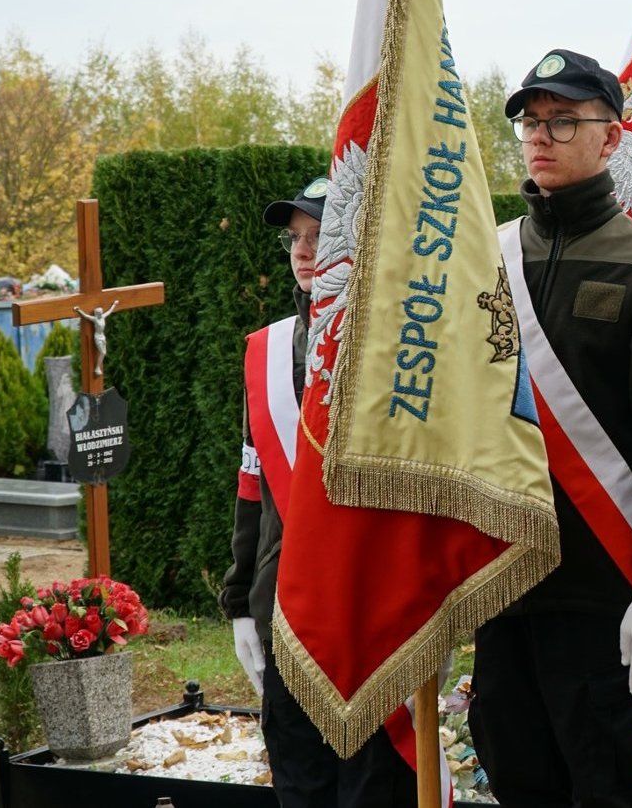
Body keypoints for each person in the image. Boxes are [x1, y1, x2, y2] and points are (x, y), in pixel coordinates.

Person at [475, 48, 632, 808]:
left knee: (621, 791)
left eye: (563, 122)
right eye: (531, 123)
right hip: (506, 587)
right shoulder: (487, 258)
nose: (541, 137)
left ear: (611, 138)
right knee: (522, 781)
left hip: (607, 596)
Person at [222, 178, 416, 807]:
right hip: (286, 602)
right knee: (301, 781)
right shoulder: (269, 352)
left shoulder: (396, 349)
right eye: (295, 238)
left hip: (371, 605)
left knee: (372, 785)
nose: (304, 251)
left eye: (320, 235)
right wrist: (240, 599)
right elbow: (255, 487)